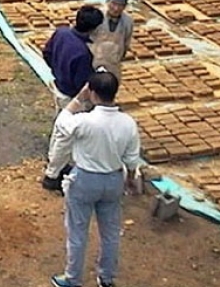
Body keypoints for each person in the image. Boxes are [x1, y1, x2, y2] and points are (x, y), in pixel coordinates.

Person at [51, 70, 141, 287]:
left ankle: (72, 279)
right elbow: (131, 158)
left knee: (77, 232)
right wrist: (130, 178)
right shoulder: (128, 123)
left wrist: (79, 98)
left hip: (84, 180)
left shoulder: (85, 121)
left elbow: (62, 122)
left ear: (92, 92)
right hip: (113, 181)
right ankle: (106, 279)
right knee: (110, 233)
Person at [41, 5, 104, 191]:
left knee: (59, 125)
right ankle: (52, 175)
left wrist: (56, 70)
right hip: (71, 96)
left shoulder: (61, 33)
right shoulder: (83, 53)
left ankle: (54, 160)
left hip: (58, 86)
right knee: (66, 135)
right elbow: (81, 83)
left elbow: (47, 53)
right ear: (94, 29)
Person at [91, 0, 134, 77]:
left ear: (125, 6)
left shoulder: (128, 22)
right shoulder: (97, 16)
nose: (116, 8)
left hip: (113, 64)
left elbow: (126, 43)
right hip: (93, 60)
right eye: (113, 3)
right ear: (108, 1)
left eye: (120, 5)